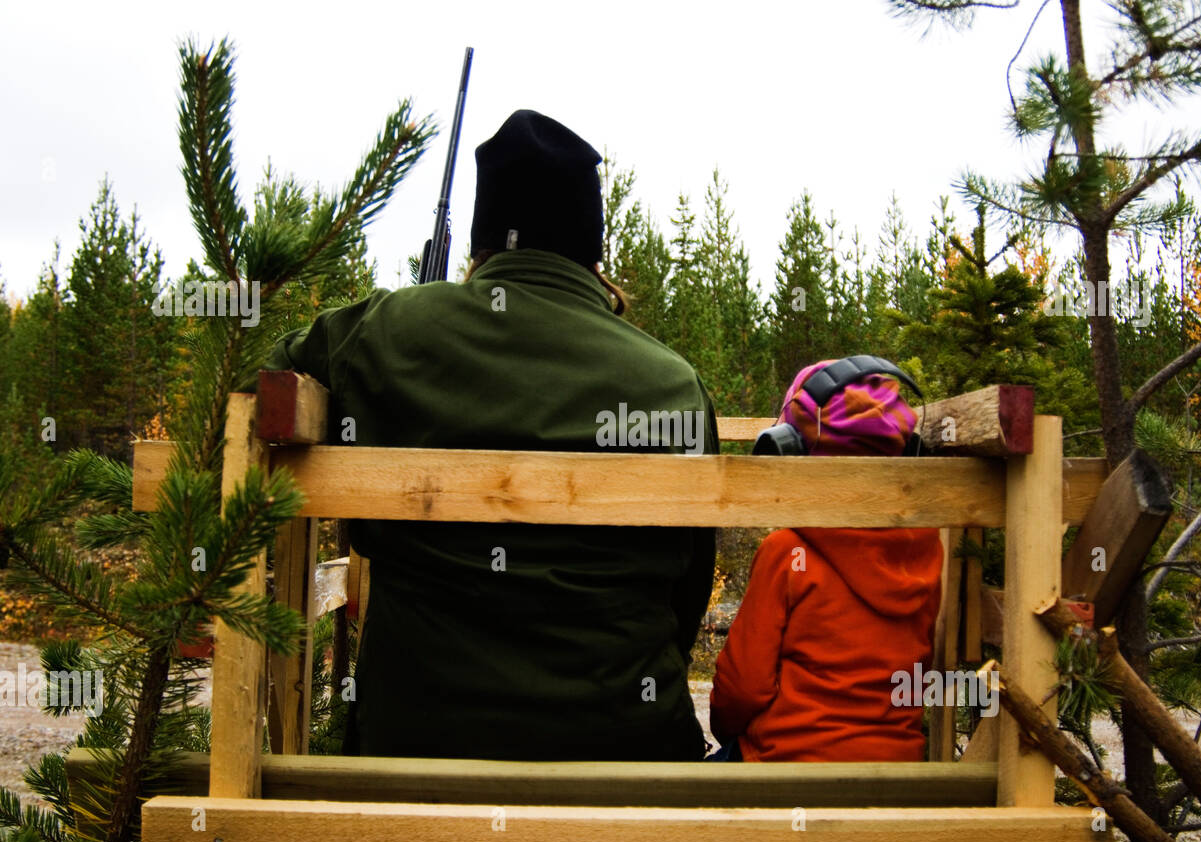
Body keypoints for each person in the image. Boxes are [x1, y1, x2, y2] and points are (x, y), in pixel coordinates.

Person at [259, 109, 717, 761]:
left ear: (480, 241)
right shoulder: (674, 387)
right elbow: (686, 594)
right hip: (625, 761)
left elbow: (269, 387)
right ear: (593, 251)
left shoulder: (384, 335)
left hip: (409, 761)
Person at [709, 359, 943, 761]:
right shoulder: (927, 551)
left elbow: (742, 690)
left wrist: (727, 729)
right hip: (898, 767)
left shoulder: (787, 551)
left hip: (786, 766)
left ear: (789, 448)